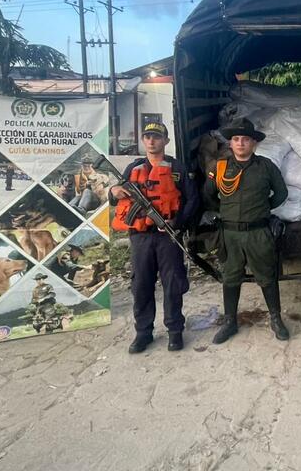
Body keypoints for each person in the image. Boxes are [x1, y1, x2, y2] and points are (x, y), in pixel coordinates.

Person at [110, 121, 199, 354]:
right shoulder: (133, 168)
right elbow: (117, 194)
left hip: (167, 236)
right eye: (147, 136)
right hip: (140, 237)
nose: (151, 141)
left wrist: (176, 222)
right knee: (141, 285)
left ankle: (175, 331)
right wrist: (113, 191)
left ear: (165, 141)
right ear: (143, 140)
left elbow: (192, 200)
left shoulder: (177, 169)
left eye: (156, 137)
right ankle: (143, 333)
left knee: (172, 284)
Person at [207, 118, 289, 344]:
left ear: (254, 143)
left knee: (267, 277)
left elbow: (281, 194)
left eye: (245, 139)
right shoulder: (220, 167)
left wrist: (262, 210)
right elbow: (209, 196)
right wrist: (227, 213)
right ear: (231, 144)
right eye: (236, 139)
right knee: (230, 278)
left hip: (258, 232)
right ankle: (230, 323)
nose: (240, 143)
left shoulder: (266, 166)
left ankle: (275, 319)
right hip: (230, 234)